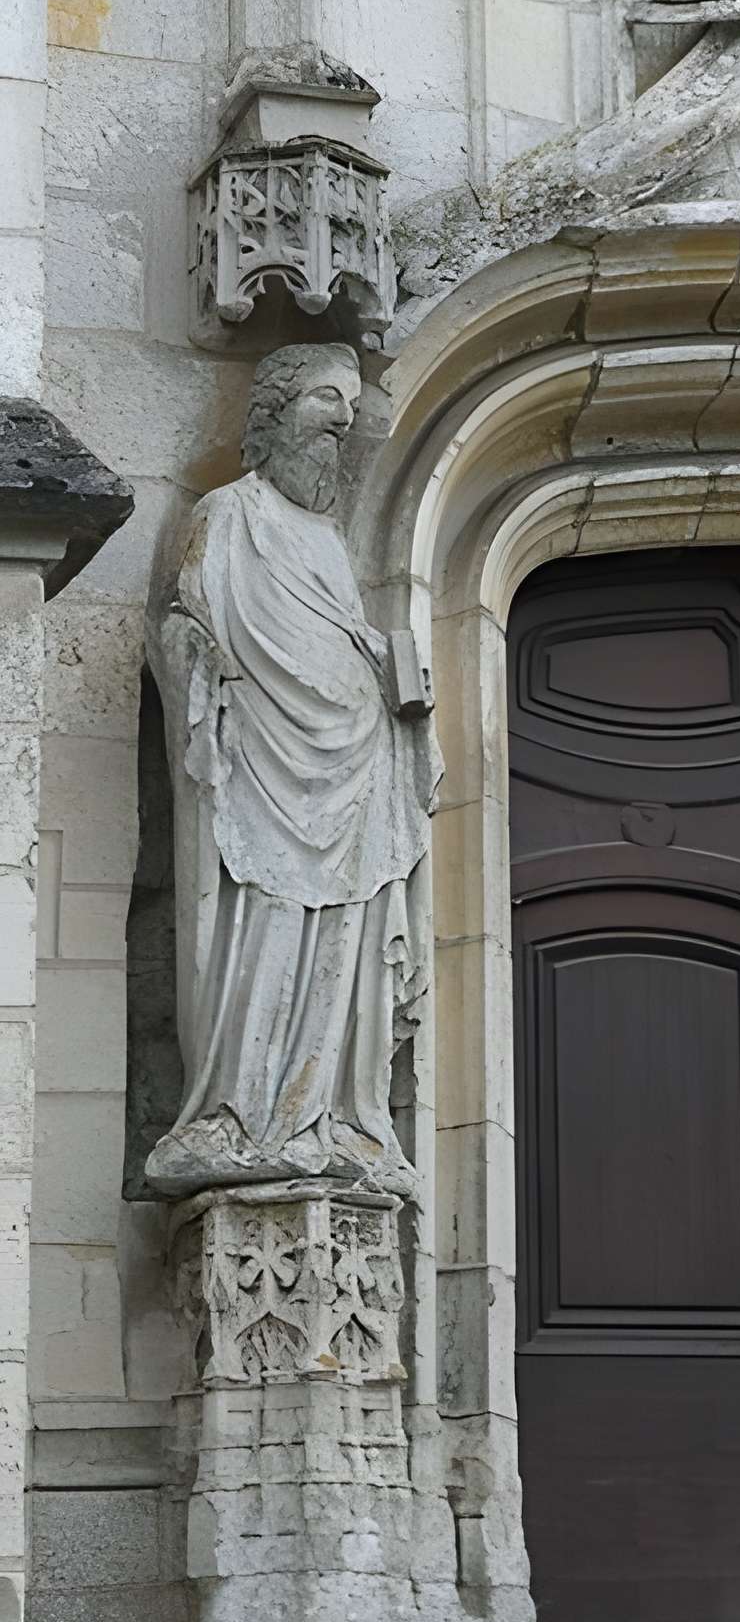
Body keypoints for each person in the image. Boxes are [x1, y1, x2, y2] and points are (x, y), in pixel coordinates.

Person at [145, 343, 438, 1197]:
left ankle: (337, 1115)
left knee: (344, 937)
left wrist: (389, 682)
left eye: (348, 411)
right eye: (324, 403)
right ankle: (240, 1111)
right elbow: (181, 625)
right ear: (271, 417)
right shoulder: (227, 514)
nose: (341, 424)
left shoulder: (327, 541)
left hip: (352, 769)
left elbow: (332, 640)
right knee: (264, 921)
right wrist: (204, 675)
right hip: (262, 771)